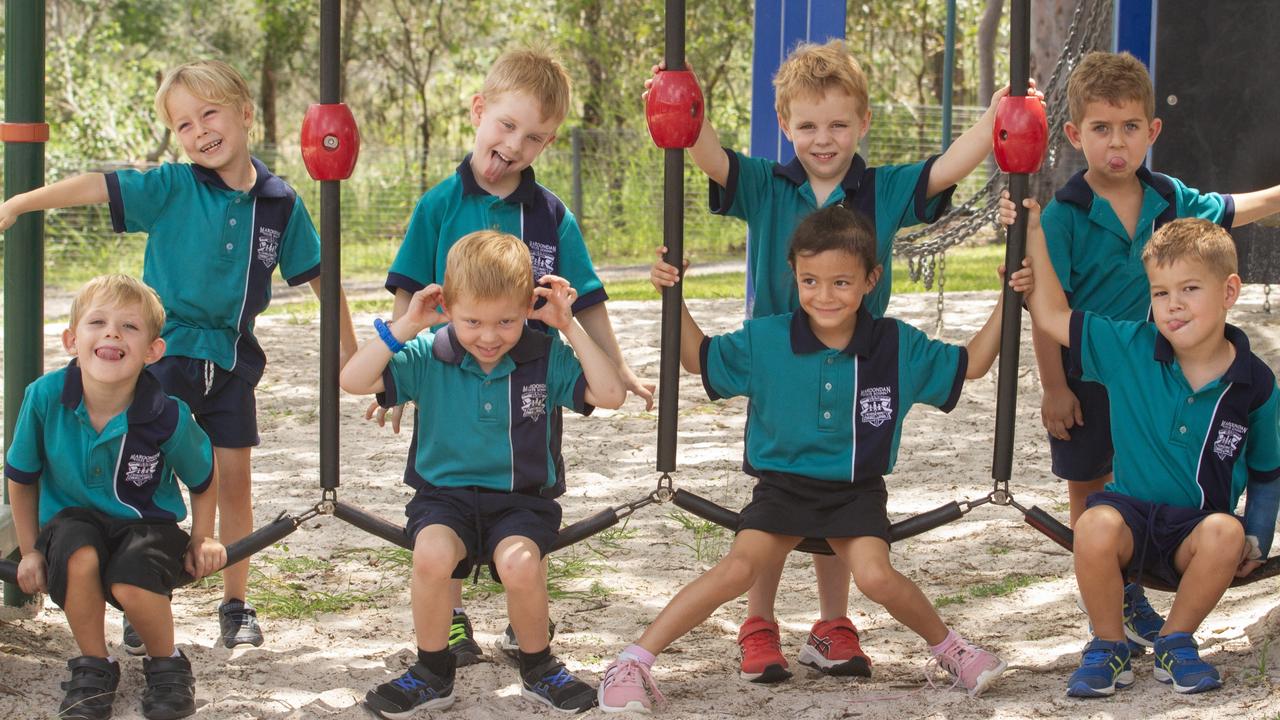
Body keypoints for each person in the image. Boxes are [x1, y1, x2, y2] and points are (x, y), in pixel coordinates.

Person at [646, 38, 1041, 682]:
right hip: (780, 356)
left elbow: (947, 168)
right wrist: (681, 99)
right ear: (784, 127)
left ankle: (831, 624)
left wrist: (998, 113)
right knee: (774, 496)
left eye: (837, 124)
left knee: (841, 475)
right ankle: (760, 623)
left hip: (859, 355)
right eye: (807, 125)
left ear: (862, 122)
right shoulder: (769, 187)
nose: (823, 139)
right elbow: (707, 152)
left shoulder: (881, 189)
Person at [597, 206, 1030, 712]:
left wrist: (1009, 297)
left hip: (855, 490)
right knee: (739, 568)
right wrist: (675, 294)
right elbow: (699, 359)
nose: (824, 296)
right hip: (782, 488)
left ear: (871, 279)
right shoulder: (767, 339)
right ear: (794, 276)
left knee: (875, 575)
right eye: (810, 281)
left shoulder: (896, 346)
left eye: (841, 282)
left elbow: (973, 364)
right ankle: (633, 661)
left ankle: (952, 650)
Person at [0, 59, 358, 650]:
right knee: (147, 477)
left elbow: (323, 278)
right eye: (184, 125)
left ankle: (236, 603)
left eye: (209, 114)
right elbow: (97, 185)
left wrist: (350, 354)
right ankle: (144, 599)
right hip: (163, 357)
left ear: (245, 111)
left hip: (233, 359)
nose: (199, 132)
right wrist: (21, 202)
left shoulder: (280, 203)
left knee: (233, 479)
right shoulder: (172, 186)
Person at [373, 47, 654, 666]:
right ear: (479, 112)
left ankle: (526, 615)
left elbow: (583, 300)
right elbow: (408, 293)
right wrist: (396, 380)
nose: (515, 145)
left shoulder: (551, 216)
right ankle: (448, 622)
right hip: (448, 376)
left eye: (535, 138)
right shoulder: (438, 206)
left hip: (526, 379)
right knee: (446, 493)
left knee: (524, 484)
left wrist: (619, 362)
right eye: (507, 125)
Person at [1028, 51, 1280, 653]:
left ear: (1152, 130)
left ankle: (1155, 566)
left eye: (1130, 128)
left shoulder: (1169, 197)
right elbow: (1049, 314)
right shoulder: (1066, 214)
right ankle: (1118, 598)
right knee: (1090, 486)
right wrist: (1054, 387)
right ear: (1074, 134)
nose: (1117, 144)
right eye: (1100, 129)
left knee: (1149, 475)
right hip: (1088, 370)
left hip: (1160, 370)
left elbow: (1233, 208)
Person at [341, 230, 626, 716]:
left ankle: (539, 666)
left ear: (527, 310)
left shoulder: (542, 353)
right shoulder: (428, 351)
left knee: (519, 563)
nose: (490, 336)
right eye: (473, 321)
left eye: (507, 321)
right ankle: (433, 671)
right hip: (444, 498)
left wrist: (570, 326)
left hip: (521, 501)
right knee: (431, 554)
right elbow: (353, 380)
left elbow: (611, 394)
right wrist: (406, 326)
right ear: (447, 307)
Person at [1010, 194, 1280, 697]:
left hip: (1195, 537)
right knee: (1092, 522)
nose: (1172, 305)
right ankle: (1109, 646)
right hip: (1130, 519)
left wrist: (1258, 537)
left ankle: (1176, 644)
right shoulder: (1129, 346)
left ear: (1229, 291)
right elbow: (1051, 314)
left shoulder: (1255, 384)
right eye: (1159, 293)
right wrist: (1034, 234)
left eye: (1190, 289)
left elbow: (1268, 470)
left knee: (1226, 531)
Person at [5, 275, 226, 720]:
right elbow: (22, 479)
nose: (112, 333)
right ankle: (94, 664)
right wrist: (29, 551)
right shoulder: (45, 398)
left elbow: (203, 479)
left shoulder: (165, 413)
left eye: (129, 326)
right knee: (76, 555)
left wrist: (203, 538)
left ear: (152, 351)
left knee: (131, 577)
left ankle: (166, 663)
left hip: (147, 523)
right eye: (98, 322)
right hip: (71, 522)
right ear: (72, 340)